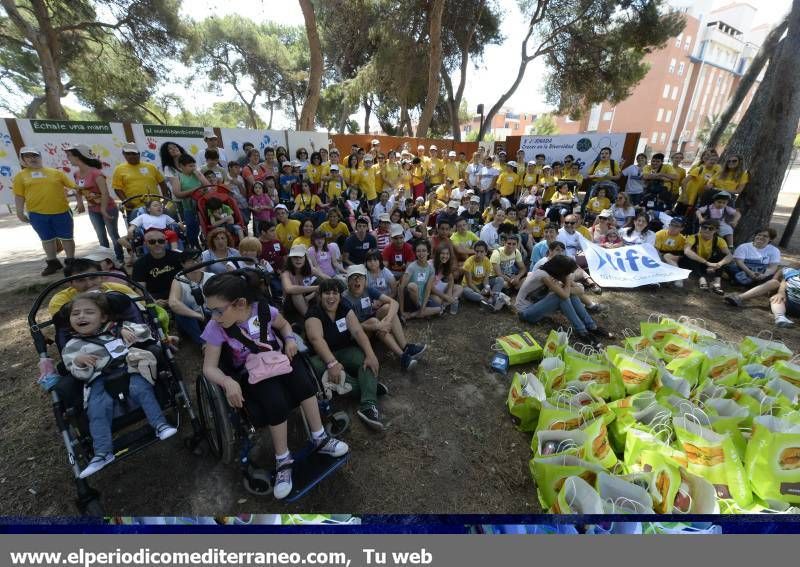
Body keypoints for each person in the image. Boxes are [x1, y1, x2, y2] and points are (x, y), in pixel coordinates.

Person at [202, 271, 348, 499]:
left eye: (217, 310)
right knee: (275, 401)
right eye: (210, 309)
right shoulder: (216, 327)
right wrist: (227, 381)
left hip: (278, 358)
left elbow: (285, 326)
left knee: (304, 383)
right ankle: (283, 460)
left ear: (240, 303)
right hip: (252, 372)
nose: (213, 316)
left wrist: (289, 340)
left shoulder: (263, 310)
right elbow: (208, 367)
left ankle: (320, 437)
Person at [62, 293, 177, 478]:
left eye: (89, 312)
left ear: (104, 317)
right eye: (75, 314)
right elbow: (74, 370)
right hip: (98, 380)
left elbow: (146, 332)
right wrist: (80, 362)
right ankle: (102, 453)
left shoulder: (117, 328)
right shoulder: (72, 346)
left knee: (142, 390)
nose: (81, 316)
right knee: (97, 409)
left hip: (128, 369)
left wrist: (124, 329)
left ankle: (160, 425)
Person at [305, 278, 385, 430]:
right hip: (322, 357)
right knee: (321, 370)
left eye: (335, 293)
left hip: (345, 349)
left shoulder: (344, 307)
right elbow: (317, 340)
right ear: (319, 296)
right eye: (326, 293)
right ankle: (369, 387)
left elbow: (357, 331)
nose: (331, 297)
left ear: (340, 296)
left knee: (365, 360)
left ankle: (368, 406)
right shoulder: (313, 313)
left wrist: (370, 354)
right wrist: (332, 363)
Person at [342, 264, 426, 371]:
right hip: (359, 332)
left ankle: (406, 347)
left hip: (373, 322)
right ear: (348, 282)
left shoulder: (367, 289)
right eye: (353, 278)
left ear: (365, 280)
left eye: (360, 277)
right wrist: (378, 325)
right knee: (374, 321)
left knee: (387, 308)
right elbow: (351, 327)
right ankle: (402, 356)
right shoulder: (345, 298)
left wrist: (387, 321)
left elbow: (394, 303)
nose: (357, 281)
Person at [12, 146, 78, 275]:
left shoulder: (55, 172)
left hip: (62, 211)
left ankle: (71, 262)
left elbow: (74, 186)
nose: (32, 158)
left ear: (40, 157)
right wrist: (19, 213)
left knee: (67, 238)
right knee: (46, 239)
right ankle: (53, 263)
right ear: (23, 160)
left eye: (35, 155)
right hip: (37, 214)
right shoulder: (20, 176)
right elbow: (19, 196)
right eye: (28, 156)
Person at [515, 255, 608, 345]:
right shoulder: (543, 275)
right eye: (568, 272)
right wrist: (567, 281)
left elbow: (580, 291)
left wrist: (568, 286)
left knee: (569, 294)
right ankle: (582, 332)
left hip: (536, 307)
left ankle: (592, 326)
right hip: (525, 313)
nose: (569, 274)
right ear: (561, 270)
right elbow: (564, 295)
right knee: (561, 296)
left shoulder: (553, 273)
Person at [67, 145, 124, 263]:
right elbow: (77, 189)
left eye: (69, 156)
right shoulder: (76, 174)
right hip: (93, 210)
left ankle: (119, 259)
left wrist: (103, 209)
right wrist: (80, 202)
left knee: (113, 235)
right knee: (101, 236)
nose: (68, 159)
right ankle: (107, 260)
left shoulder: (96, 173)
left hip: (108, 208)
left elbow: (105, 193)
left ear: (78, 156)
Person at [48, 258, 137, 315]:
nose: (89, 284)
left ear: (102, 277)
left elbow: (144, 309)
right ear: (70, 284)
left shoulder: (119, 289)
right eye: (81, 280)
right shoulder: (60, 301)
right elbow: (64, 329)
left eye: (93, 278)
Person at [111, 143, 172, 220]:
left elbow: (162, 182)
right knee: (137, 231)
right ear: (124, 155)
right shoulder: (119, 169)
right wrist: (126, 201)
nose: (131, 156)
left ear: (139, 154)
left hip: (155, 206)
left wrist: (165, 198)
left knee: (162, 229)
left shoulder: (151, 167)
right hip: (134, 209)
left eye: (134, 153)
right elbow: (117, 188)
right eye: (128, 154)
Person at [723, 267, 799, 328]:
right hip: (786, 303)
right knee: (774, 285)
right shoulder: (792, 272)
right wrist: (780, 292)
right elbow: (783, 274)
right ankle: (780, 317)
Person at [168, 250, 213, 346]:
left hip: (212, 315)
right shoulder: (178, 280)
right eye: (192, 261)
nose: (196, 263)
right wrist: (199, 316)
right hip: (193, 318)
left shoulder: (211, 277)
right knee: (181, 311)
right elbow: (173, 303)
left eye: (198, 260)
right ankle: (203, 344)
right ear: (183, 264)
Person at [679, 220, 733, 294]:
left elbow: (729, 255)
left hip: (707, 263)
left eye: (711, 228)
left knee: (722, 255)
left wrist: (719, 264)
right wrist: (707, 263)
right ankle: (701, 278)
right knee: (689, 256)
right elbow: (687, 251)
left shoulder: (719, 240)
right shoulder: (693, 237)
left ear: (716, 230)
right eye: (704, 227)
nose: (707, 230)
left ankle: (717, 282)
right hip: (694, 263)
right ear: (700, 228)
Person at [132, 228, 184, 303]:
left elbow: (190, 276)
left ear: (166, 242)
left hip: (180, 293)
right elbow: (140, 288)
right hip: (155, 297)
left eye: (161, 241)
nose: (157, 244)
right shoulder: (139, 264)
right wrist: (152, 301)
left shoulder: (178, 257)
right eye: (152, 242)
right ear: (145, 244)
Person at [172, 154, 209, 248]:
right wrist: (195, 190)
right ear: (182, 166)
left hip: (202, 206)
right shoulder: (178, 177)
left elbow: (208, 187)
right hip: (189, 208)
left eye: (194, 165)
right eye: (190, 166)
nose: (193, 168)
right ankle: (193, 246)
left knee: (206, 227)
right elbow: (177, 194)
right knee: (192, 229)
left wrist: (200, 176)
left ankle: (206, 244)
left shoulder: (197, 174)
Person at [398, 240, 442, 319]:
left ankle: (412, 315)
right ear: (415, 253)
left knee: (439, 308)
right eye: (418, 251)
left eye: (424, 251)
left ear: (428, 252)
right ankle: (421, 312)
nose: (421, 254)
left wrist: (423, 307)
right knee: (412, 286)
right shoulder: (411, 267)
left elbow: (428, 289)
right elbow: (401, 288)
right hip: (410, 300)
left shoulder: (431, 268)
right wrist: (401, 311)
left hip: (421, 299)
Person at [281, 245, 318, 317]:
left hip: (307, 298)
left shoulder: (310, 270)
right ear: (290, 259)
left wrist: (309, 297)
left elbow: (326, 279)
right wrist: (316, 288)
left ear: (305, 258)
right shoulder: (286, 273)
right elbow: (289, 289)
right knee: (296, 294)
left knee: (323, 286)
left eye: (300, 257)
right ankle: (308, 317)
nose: (298, 259)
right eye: (295, 257)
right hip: (290, 304)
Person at [654, 217, 687, 287]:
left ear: (682, 228)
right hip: (659, 254)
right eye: (671, 225)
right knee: (663, 257)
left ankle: (678, 276)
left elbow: (680, 254)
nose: (673, 227)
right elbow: (656, 250)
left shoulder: (682, 239)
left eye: (677, 226)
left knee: (667, 256)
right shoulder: (660, 233)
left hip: (672, 257)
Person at [431, 245, 464, 314]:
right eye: (442, 253)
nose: (445, 256)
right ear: (438, 254)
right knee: (438, 300)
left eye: (447, 254)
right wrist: (446, 297)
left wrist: (449, 292)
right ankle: (447, 302)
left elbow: (451, 278)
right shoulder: (431, 265)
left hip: (438, 286)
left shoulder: (446, 264)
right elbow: (430, 288)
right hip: (430, 291)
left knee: (460, 288)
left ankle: (444, 305)